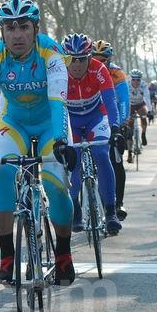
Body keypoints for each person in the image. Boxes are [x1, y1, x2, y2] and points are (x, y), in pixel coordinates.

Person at [0, 0, 76, 285]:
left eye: (24, 27)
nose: (17, 35)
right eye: (10, 28)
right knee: (2, 176)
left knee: (55, 186)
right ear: (2, 31)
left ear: (35, 29)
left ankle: (63, 255)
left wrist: (62, 141)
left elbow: (58, 102)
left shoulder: (51, 53)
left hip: (49, 123)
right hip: (13, 122)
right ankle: (7, 257)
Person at [61, 33, 122, 235]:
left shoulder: (99, 69)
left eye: (81, 59)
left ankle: (111, 211)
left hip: (96, 117)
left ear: (90, 58)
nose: (76, 65)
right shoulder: (59, 72)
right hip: (71, 121)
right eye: (72, 59)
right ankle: (76, 210)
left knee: (102, 155)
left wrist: (115, 128)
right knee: (74, 163)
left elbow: (111, 101)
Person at [91, 39, 129, 220]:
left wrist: (121, 125)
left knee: (116, 161)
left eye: (103, 58)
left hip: (112, 119)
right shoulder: (86, 69)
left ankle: (118, 202)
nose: (100, 61)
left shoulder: (116, 73)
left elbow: (123, 101)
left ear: (109, 58)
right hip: (94, 119)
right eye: (95, 57)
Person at [128, 69, 151, 158]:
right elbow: (124, 98)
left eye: (138, 79)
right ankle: (130, 152)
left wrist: (150, 111)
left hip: (140, 104)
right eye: (134, 79)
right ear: (131, 79)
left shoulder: (143, 85)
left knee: (144, 117)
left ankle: (143, 134)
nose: (136, 81)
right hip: (130, 104)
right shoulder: (127, 85)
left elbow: (147, 98)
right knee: (129, 128)